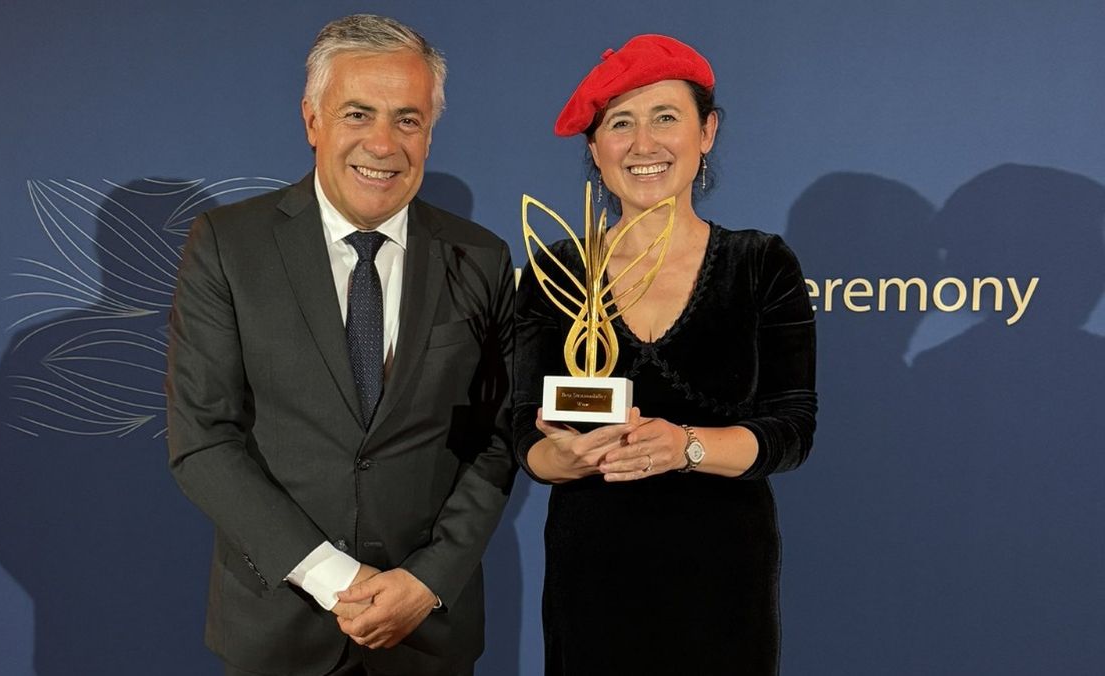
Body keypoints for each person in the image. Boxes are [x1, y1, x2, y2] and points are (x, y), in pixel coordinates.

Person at [166, 14, 515, 676]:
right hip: (278, 631)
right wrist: (335, 579)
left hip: (427, 632)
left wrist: (428, 579)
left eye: (407, 120)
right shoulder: (228, 245)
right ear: (312, 121)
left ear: (430, 134)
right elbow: (203, 440)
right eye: (358, 114)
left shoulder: (481, 256)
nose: (382, 144)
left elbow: (498, 438)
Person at [513, 35, 817, 675]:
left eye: (666, 118)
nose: (644, 145)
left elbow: (791, 428)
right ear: (595, 148)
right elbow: (521, 426)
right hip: (591, 577)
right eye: (620, 123)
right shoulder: (557, 272)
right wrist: (557, 458)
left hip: (723, 579)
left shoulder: (760, 264)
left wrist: (688, 447)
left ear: (707, 132)